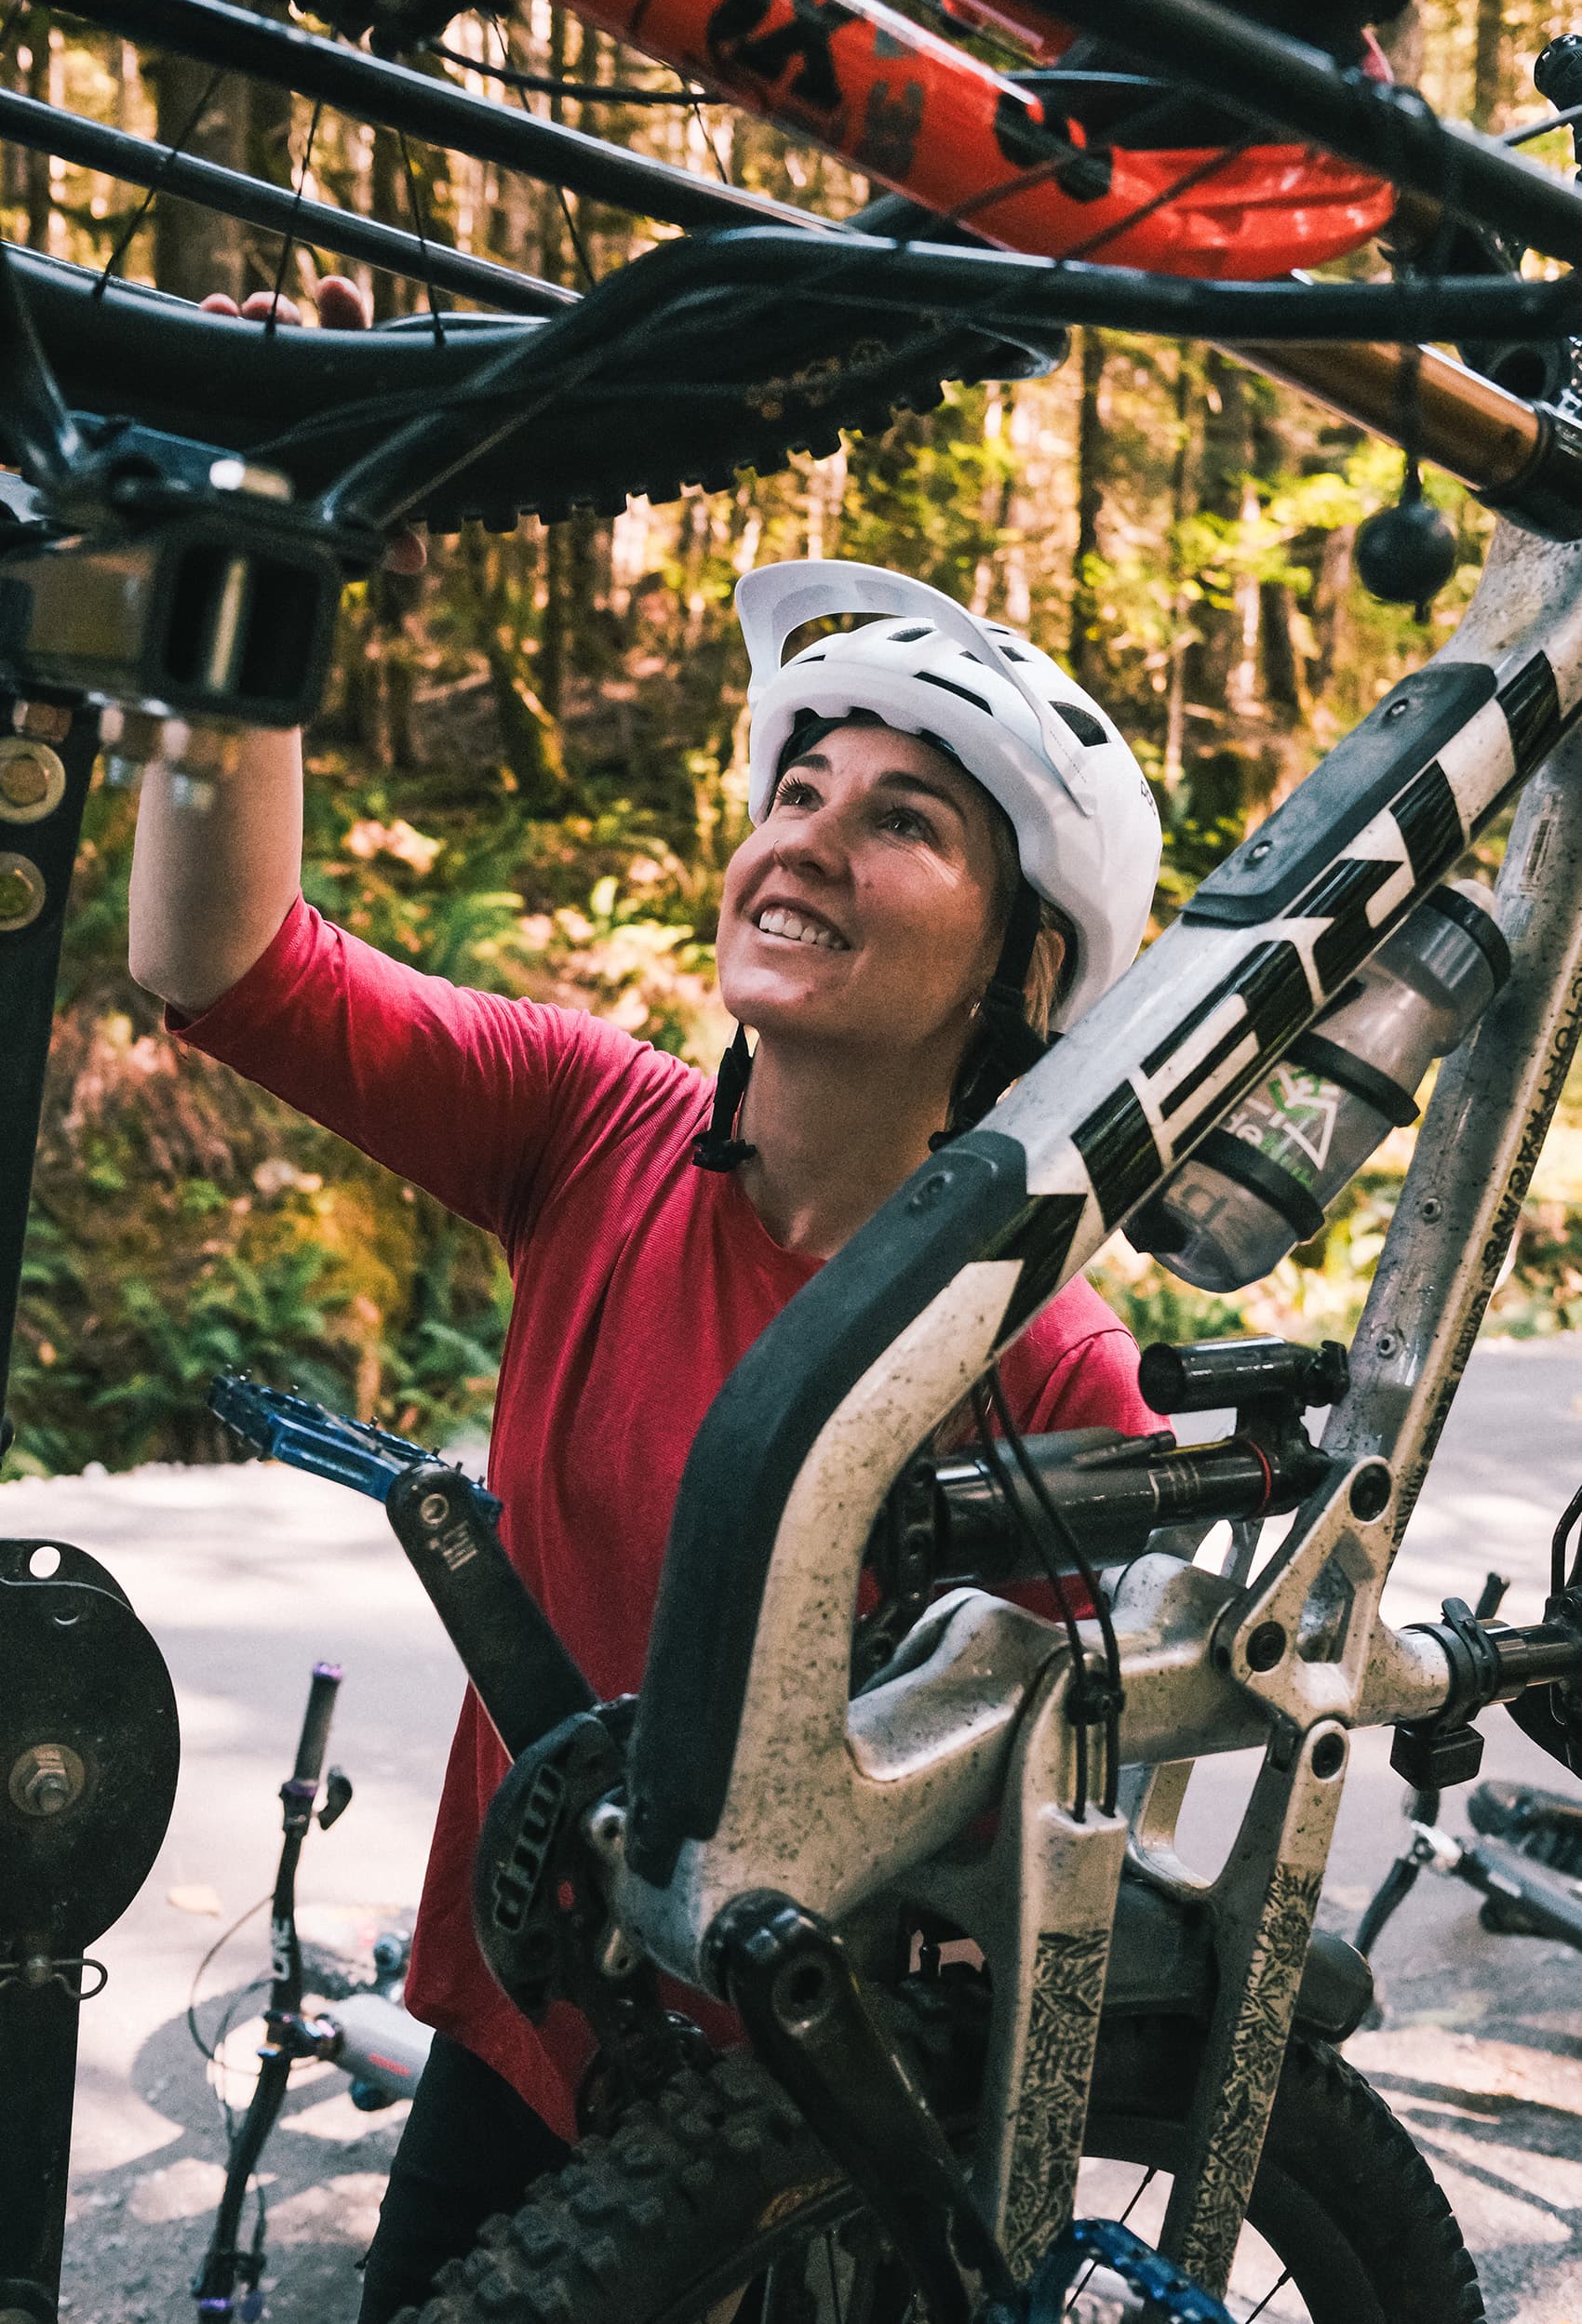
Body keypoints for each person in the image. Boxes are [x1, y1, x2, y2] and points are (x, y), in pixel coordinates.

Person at [129, 495, 1165, 2311]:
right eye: (796, 794)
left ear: (1021, 974)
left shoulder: (1042, 1369)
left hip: (804, 2148)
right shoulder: (594, 1129)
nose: (809, 840)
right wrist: (248, 592)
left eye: (899, 819)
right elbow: (225, 967)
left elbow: (1062, 1870)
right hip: (522, 2040)